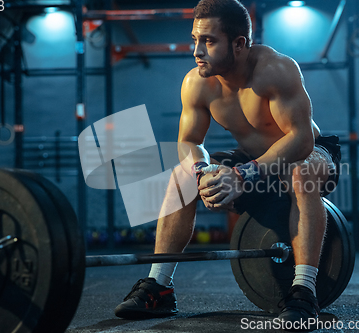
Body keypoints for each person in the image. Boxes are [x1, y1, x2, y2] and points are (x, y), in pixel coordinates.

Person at [114, 0, 341, 329]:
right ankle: (159, 285)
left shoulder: (275, 71)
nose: (196, 50)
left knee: (302, 172)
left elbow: (301, 140)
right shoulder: (197, 84)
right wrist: (203, 173)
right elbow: (189, 143)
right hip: (253, 163)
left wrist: (241, 174)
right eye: (194, 39)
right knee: (182, 175)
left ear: (239, 44)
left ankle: (304, 291)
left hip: (306, 155)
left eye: (208, 41)